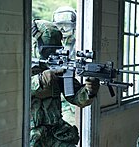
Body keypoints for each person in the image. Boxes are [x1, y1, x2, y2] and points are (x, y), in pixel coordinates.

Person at [30, 19, 100, 147]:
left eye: (54, 50)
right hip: (29, 133)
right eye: (46, 51)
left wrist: (89, 91)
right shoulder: (21, 64)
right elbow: (15, 90)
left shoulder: (59, 66)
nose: (50, 54)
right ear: (35, 46)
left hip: (56, 131)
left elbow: (75, 97)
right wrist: (40, 80)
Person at [53, 6, 77, 125]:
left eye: (66, 25)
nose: (62, 29)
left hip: (73, 93)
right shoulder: (52, 42)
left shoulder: (80, 41)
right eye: (59, 25)